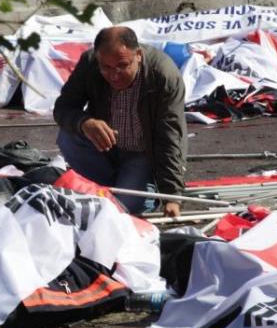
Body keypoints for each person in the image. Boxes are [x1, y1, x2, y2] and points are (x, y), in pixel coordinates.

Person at [53, 26, 187, 217]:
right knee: (68, 135)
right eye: (106, 68)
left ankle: (138, 189)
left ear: (138, 55)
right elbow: (63, 108)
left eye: (122, 66)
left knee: (123, 210)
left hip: (141, 155)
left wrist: (172, 195)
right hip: (105, 151)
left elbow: (169, 136)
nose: (114, 75)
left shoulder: (163, 76)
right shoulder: (90, 62)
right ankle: (110, 186)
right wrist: (85, 122)